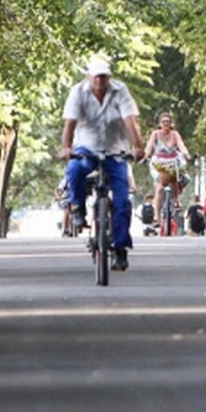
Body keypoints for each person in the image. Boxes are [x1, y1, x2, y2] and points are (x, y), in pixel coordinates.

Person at [59, 57, 146, 271]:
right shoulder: (78, 92)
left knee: (123, 201)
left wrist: (138, 146)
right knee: (75, 169)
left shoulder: (120, 91)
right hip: (86, 147)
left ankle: (120, 248)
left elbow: (129, 121)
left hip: (115, 150)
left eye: (104, 76)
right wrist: (66, 147)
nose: (100, 80)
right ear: (89, 76)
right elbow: (70, 123)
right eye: (96, 76)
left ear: (109, 77)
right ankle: (78, 207)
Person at [145, 111, 190, 230]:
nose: (166, 124)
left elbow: (181, 145)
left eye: (168, 121)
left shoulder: (175, 134)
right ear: (160, 124)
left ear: (171, 123)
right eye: (163, 121)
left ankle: (176, 200)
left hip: (173, 161)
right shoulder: (155, 134)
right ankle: (157, 217)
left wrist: (186, 153)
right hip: (159, 162)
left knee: (174, 177)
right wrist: (144, 155)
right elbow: (149, 147)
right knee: (159, 189)